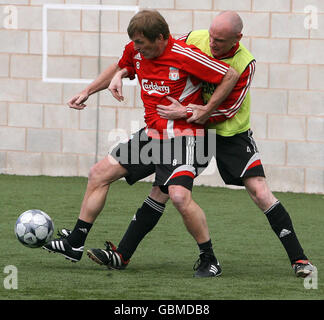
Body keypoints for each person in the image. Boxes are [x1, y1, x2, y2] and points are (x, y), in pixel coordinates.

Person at [85, 11, 315, 278]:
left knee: (260, 191)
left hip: (228, 133)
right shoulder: (196, 38)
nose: (212, 43)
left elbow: (228, 110)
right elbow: (157, 51)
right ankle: (122, 255)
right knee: (164, 190)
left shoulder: (244, 63)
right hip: (192, 131)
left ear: (237, 39)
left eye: (220, 41)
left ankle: (299, 260)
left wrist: (188, 112)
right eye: (212, 36)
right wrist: (123, 71)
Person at [43, 9, 240, 278]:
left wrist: (202, 112)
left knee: (178, 196)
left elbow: (229, 75)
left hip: (188, 138)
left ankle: (210, 259)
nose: (137, 50)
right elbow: (120, 64)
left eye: (142, 45)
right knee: (98, 174)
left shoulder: (184, 54)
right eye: (135, 44)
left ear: (160, 38)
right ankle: (75, 242)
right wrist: (89, 90)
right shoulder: (135, 50)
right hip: (152, 136)